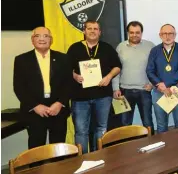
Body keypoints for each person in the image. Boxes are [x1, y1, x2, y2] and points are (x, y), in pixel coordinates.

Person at [67, 20, 122, 154]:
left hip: (103, 96)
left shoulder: (107, 48)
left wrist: (109, 77)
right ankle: (82, 159)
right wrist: (74, 76)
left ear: (100, 32)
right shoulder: (74, 48)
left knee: (102, 127)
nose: (92, 31)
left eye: (95, 29)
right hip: (80, 97)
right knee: (81, 131)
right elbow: (66, 69)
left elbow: (117, 66)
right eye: (89, 28)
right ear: (84, 31)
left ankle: (100, 155)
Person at [13, 26, 72, 149]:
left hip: (57, 109)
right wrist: (35, 106)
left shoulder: (63, 58)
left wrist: (60, 103)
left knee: (59, 149)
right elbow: (19, 87)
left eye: (46, 36)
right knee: (36, 149)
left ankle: (58, 169)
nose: (42, 39)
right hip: (34, 111)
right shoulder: (21, 60)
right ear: (32, 40)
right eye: (37, 36)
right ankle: (36, 169)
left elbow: (69, 84)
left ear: (51, 40)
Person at [113, 21, 155, 129]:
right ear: (128, 33)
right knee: (125, 124)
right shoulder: (120, 47)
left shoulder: (150, 46)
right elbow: (116, 69)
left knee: (147, 122)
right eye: (131, 32)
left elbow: (157, 67)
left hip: (144, 91)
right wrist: (115, 88)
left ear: (141, 33)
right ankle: (127, 146)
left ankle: (151, 144)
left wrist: (152, 84)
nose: (134, 35)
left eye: (137, 32)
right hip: (124, 91)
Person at [147, 24, 178, 133]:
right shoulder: (154, 51)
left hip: (177, 89)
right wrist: (159, 84)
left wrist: (166, 84)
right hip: (159, 91)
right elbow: (149, 70)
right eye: (164, 33)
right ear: (160, 35)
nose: (167, 36)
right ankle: (164, 149)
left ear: (175, 35)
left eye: (170, 33)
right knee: (161, 124)